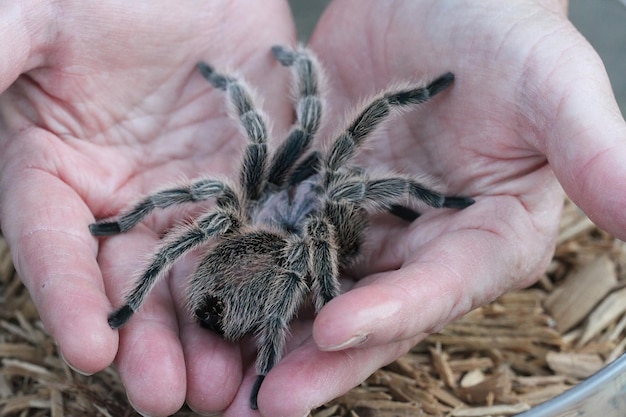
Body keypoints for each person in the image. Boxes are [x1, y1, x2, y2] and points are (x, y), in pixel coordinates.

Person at [1, 0, 624, 416]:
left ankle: (233, 335)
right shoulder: (281, 203)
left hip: (266, 259)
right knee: (241, 188)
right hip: (255, 266)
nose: (301, 186)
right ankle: (212, 325)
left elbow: (333, 202)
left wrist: (428, 203)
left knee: (243, 198)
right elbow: (283, 147)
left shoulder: (316, 213)